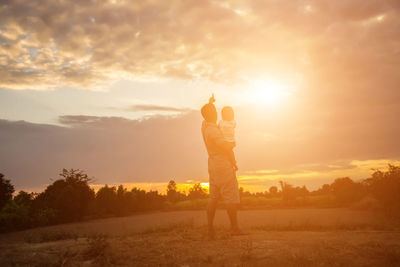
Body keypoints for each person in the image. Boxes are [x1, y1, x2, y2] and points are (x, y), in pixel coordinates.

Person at [201, 94, 244, 239]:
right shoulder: (213, 131)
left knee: (213, 197)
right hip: (222, 164)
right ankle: (234, 228)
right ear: (211, 114)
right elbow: (225, 146)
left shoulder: (205, 126)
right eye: (213, 110)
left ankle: (210, 230)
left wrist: (210, 102)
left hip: (212, 164)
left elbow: (206, 113)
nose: (216, 111)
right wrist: (233, 144)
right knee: (230, 195)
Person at [218, 106, 238, 171]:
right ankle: (233, 163)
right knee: (230, 152)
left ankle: (234, 163)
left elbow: (234, 126)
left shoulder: (232, 122)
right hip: (227, 141)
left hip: (230, 141)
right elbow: (218, 128)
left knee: (230, 152)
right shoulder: (223, 122)